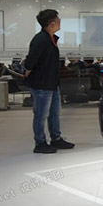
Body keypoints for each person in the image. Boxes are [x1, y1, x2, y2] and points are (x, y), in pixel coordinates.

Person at [23, 9, 75, 153]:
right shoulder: (40, 40)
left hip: (52, 83)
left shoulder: (50, 39)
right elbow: (30, 61)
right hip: (42, 84)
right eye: (58, 19)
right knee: (41, 115)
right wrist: (27, 71)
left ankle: (56, 138)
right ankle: (40, 142)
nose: (60, 21)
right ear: (51, 23)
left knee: (54, 114)